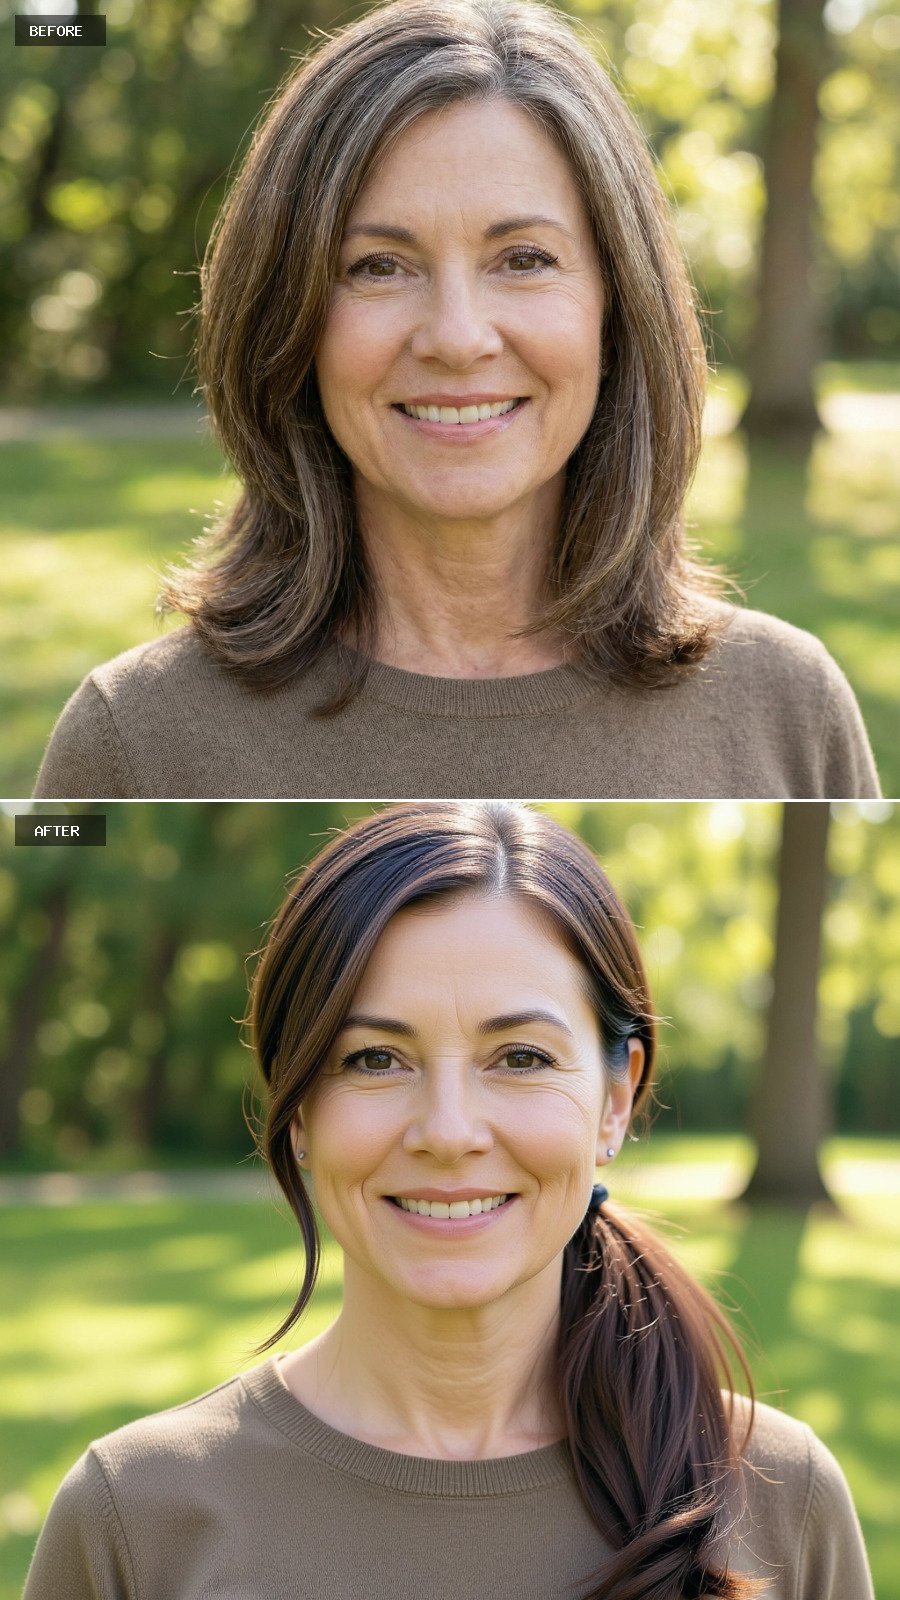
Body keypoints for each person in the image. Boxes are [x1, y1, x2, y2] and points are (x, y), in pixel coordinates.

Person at [24, 802, 874, 1599]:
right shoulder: (133, 1517)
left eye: (522, 1058)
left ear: (616, 1101)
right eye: (373, 1060)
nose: (449, 1130)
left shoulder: (778, 1493)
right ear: (297, 1109)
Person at [33, 0, 879, 800]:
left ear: (618, 306)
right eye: (378, 267)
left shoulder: (787, 711)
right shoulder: (137, 741)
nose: (457, 336)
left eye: (523, 259)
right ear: (287, 319)